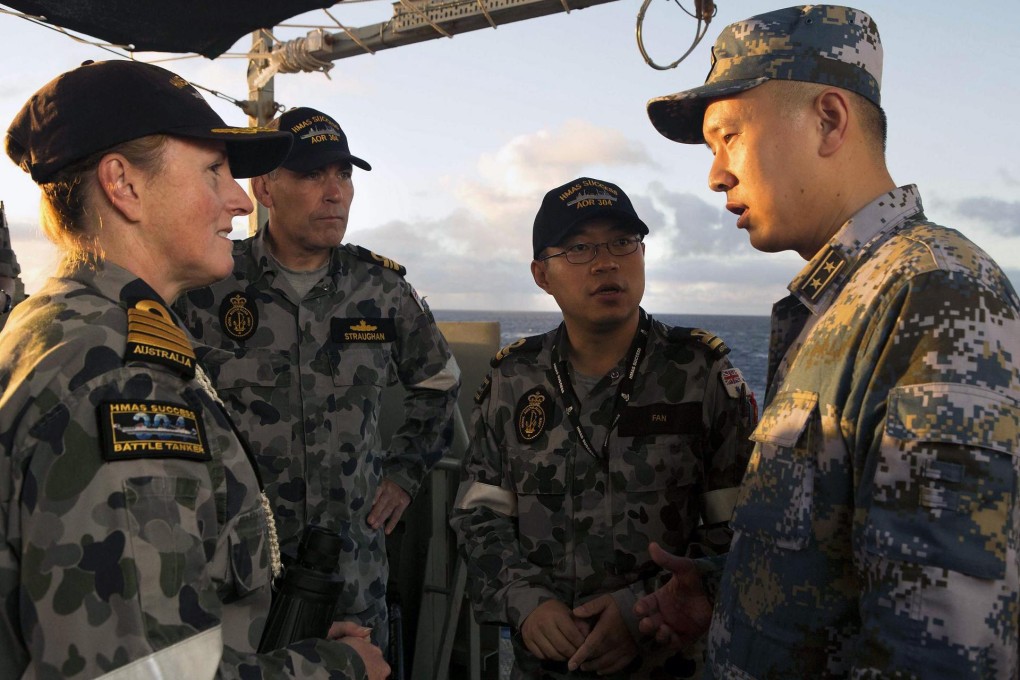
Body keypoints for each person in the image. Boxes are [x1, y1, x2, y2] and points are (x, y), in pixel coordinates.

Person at [639, 5, 1020, 678]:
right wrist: (732, 599)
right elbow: (841, 558)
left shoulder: (936, 294)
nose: (714, 174)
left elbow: (941, 646)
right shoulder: (844, 301)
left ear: (829, 121)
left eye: (728, 137)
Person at [0, 60, 389, 679]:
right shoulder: (120, 383)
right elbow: (141, 673)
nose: (239, 199)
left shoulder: (55, 326)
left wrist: (282, 644)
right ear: (123, 185)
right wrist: (338, 668)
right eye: (214, 171)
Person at [177, 106, 460, 654]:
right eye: (311, 174)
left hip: (351, 571)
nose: (335, 193)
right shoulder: (207, 287)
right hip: (236, 572)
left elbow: (440, 383)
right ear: (265, 187)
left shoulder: (381, 290)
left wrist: (404, 472)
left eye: (343, 174)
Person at [450, 177, 756, 679]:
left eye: (622, 242)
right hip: (547, 660)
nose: (606, 261)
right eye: (578, 248)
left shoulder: (700, 373)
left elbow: (745, 524)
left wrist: (644, 610)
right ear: (541, 275)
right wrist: (526, 601)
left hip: (667, 656)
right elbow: (479, 516)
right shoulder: (514, 379)